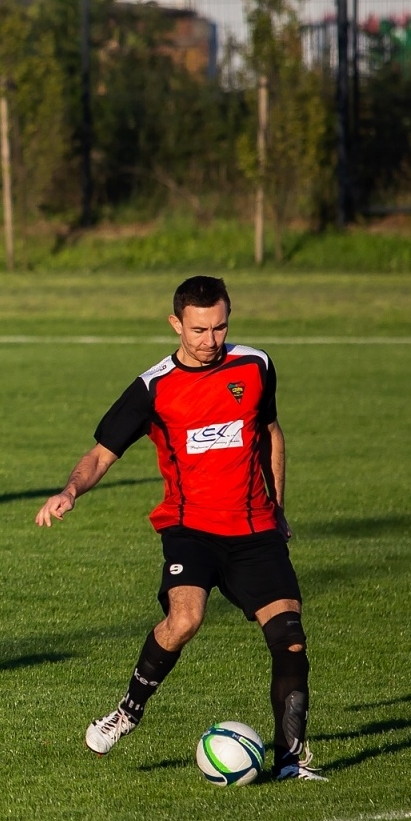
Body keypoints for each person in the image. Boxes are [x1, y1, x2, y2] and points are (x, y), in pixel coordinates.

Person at [33, 275, 324, 782]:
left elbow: (271, 432)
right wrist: (70, 490)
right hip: (191, 529)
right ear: (176, 324)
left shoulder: (255, 366)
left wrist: (277, 507)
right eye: (198, 330)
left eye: (220, 327)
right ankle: (127, 711)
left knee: (290, 639)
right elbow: (101, 454)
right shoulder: (153, 388)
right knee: (185, 620)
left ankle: (289, 762)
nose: (210, 340)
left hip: (255, 530)